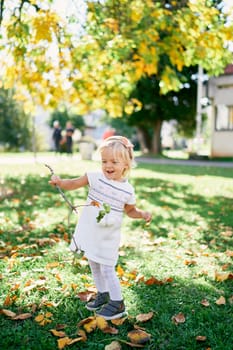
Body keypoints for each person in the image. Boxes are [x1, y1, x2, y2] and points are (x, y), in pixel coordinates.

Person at [49, 136, 152, 320]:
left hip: (108, 236)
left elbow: (130, 210)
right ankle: (103, 293)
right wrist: (60, 182)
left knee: (106, 267)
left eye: (114, 161)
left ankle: (117, 302)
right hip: (92, 231)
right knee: (93, 263)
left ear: (126, 165)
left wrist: (142, 214)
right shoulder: (95, 178)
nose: (108, 165)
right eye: (104, 161)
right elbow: (73, 183)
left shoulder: (127, 190)